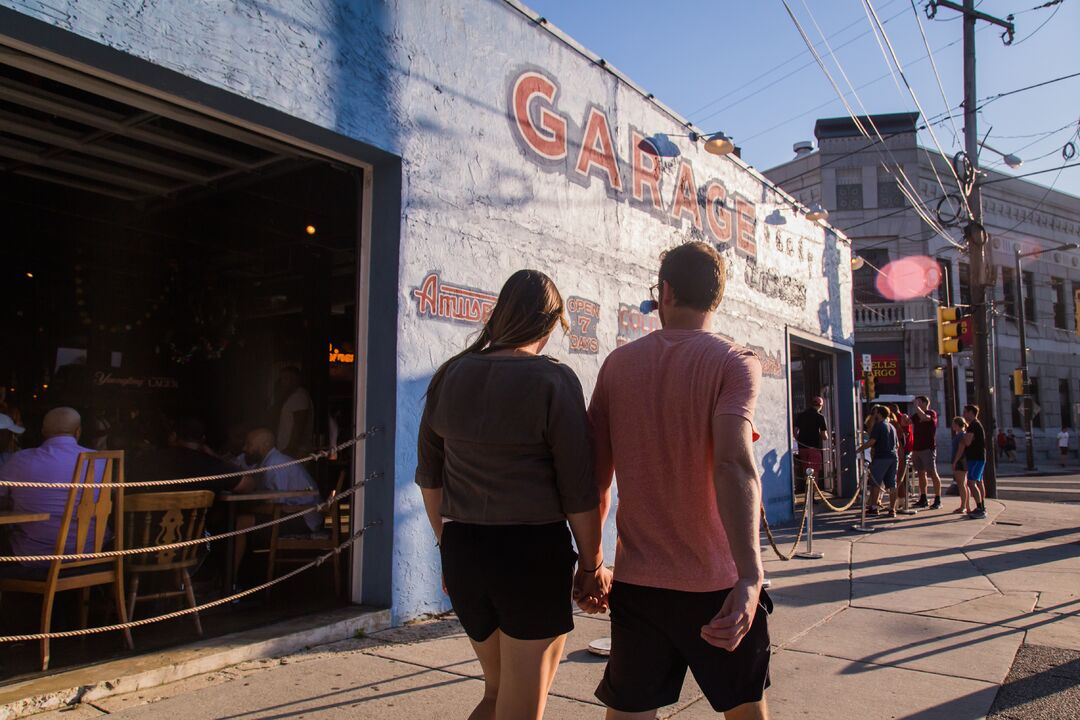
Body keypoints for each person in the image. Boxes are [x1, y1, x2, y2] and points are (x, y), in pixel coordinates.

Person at [588, 242, 770, 720]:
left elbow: (595, 479)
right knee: (745, 712)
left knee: (629, 714)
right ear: (716, 297)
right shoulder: (735, 362)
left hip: (638, 584)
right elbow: (733, 464)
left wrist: (592, 563)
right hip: (717, 584)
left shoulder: (616, 366)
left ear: (665, 291)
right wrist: (750, 576)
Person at [416, 269, 606, 720]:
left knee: (497, 694)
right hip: (529, 555)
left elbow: (430, 480)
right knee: (521, 709)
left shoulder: (448, 376)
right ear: (549, 323)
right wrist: (592, 563)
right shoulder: (553, 381)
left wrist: (447, 547)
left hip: (464, 551)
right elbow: (578, 490)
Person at [0, 408, 110, 569]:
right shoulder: (102, 461)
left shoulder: (19, 460)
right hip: (91, 552)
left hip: (33, 556)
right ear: (78, 432)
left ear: (43, 432)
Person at [858, 405, 899, 518]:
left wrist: (859, 449)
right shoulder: (892, 426)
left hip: (881, 457)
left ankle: (874, 507)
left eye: (876, 413)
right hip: (893, 456)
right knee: (892, 484)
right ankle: (892, 509)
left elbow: (872, 441)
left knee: (875, 483)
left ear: (879, 414)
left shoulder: (878, 425)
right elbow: (897, 444)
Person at [953, 405, 987, 519]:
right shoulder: (974, 425)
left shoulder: (973, 425)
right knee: (977, 482)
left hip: (976, 458)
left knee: (971, 482)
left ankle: (980, 508)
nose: (964, 414)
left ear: (971, 412)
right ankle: (981, 506)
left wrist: (963, 440)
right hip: (976, 458)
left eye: (965, 412)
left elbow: (966, 442)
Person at [273, 367, 314, 458]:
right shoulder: (292, 396)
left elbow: (299, 425)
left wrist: (291, 448)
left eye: (287, 378)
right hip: (289, 450)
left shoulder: (299, 396)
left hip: (294, 452)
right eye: (283, 379)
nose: (284, 382)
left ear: (296, 379)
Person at [909, 396, 942, 509]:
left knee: (932, 473)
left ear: (924, 402)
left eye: (918, 401)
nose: (915, 403)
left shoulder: (931, 413)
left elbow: (925, 417)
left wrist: (917, 407)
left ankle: (938, 499)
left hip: (928, 448)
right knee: (921, 474)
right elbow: (907, 422)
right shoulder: (916, 415)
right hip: (917, 448)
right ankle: (923, 498)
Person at [793, 397, 828, 487]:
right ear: (821, 406)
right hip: (814, 448)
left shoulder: (801, 415)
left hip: (802, 447)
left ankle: (807, 494)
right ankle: (811, 496)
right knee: (814, 472)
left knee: (806, 471)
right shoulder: (820, 417)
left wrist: (798, 441)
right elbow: (825, 436)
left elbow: (795, 431)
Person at [890, 404, 914, 513]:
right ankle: (901, 500)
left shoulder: (898, 421)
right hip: (904, 451)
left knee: (899, 478)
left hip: (902, 452)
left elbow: (903, 437)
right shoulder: (898, 421)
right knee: (900, 478)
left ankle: (900, 501)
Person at [950, 417, 972, 514]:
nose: (952, 426)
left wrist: (955, 461)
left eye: (953, 424)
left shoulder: (960, 435)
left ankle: (963, 506)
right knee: (964, 484)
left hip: (960, 461)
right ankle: (966, 506)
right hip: (962, 461)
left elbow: (960, 450)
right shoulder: (960, 434)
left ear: (957, 424)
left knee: (961, 484)